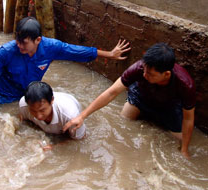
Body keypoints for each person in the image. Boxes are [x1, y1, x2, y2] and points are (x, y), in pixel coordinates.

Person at [0, 16, 130, 108]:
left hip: (23, 98)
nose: (19, 46)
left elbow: (77, 52)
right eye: (17, 41)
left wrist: (110, 54)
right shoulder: (8, 50)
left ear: (38, 40)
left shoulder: (51, 47)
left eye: (24, 43)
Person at [63, 43, 196, 158]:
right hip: (141, 97)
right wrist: (82, 116)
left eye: (150, 74)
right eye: (144, 70)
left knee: (178, 139)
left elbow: (188, 119)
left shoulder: (185, 84)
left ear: (166, 74)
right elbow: (111, 92)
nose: (144, 75)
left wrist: (184, 150)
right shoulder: (139, 68)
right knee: (123, 122)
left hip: (169, 107)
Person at [19, 81, 86, 140]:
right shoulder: (24, 105)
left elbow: (80, 140)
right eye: (33, 111)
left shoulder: (70, 116)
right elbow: (22, 122)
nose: (38, 116)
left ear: (52, 100)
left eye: (42, 110)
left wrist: (55, 147)